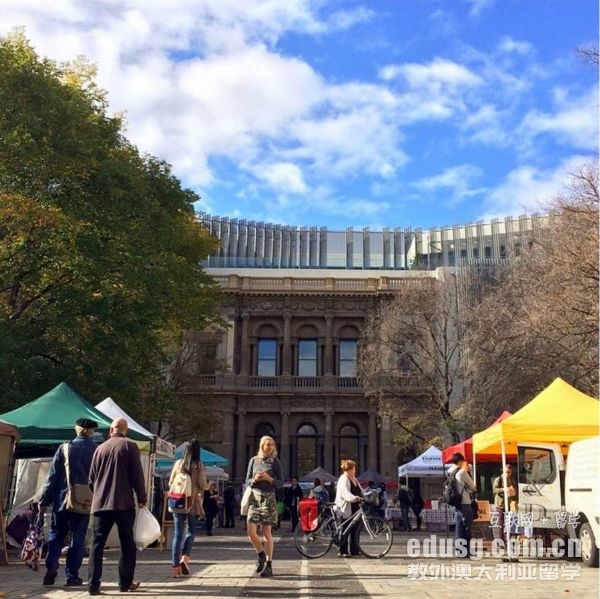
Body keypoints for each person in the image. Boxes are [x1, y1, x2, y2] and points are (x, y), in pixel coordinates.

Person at [87, 417, 147, 595]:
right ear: (125, 431)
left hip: (100, 504)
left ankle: (93, 585)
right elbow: (137, 475)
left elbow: (91, 479)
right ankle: (125, 583)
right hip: (123, 503)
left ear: (110, 431)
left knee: (97, 545)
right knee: (127, 543)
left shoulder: (99, 449)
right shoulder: (130, 446)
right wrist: (142, 497)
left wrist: (99, 493)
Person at [39, 418, 98, 587]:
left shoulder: (64, 448)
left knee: (56, 534)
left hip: (61, 500)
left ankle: (51, 568)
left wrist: (44, 500)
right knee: (78, 538)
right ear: (91, 431)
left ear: (77, 430)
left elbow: (52, 477)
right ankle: (72, 575)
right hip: (84, 501)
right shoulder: (96, 450)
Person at [245, 435, 283, 578]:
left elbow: (281, 483)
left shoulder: (275, 461)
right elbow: (247, 480)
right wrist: (254, 479)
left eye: (272, 445)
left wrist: (269, 478)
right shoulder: (253, 460)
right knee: (251, 532)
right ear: (262, 445)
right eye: (268, 444)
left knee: (267, 532)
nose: (270, 447)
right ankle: (260, 554)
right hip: (255, 498)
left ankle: (269, 564)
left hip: (268, 498)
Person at [169, 439, 207, 578]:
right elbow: (202, 485)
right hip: (192, 504)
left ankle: (175, 569)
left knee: (177, 535)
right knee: (191, 531)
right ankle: (185, 557)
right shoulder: (198, 465)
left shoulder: (178, 463)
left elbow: (171, 482)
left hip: (178, 502)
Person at [448, 452, 477, 557]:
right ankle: (467, 551)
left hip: (455, 503)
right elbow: (473, 486)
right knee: (467, 527)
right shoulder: (461, 472)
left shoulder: (449, 472)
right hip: (464, 502)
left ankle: (459, 551)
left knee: (458, 528)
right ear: (460, 461)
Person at [334, 459, 363, 557]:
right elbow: (345, 493)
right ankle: (343, 551)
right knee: (345, 529)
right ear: (349, 469)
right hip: (346, 508)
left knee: (356, 529)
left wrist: (368, 494)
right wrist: (354, 498)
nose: (355, 470)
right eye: (354, 469)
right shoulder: (344, 479)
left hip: (355, 508)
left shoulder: (354, 479)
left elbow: (361, 491)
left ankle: (355, 550)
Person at [492, 463, 518, 540]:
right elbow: (494, 490)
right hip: (500, 504)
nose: (507, 474)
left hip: (509, 503)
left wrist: (513, 490)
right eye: (506, 472)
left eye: (509, 472)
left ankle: (508, 539)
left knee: (508, 522)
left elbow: (514, 490)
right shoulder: (499, 479)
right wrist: (503, 489)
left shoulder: (511, 479)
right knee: (501, 522)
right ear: (503, 471)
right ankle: (501, 540)